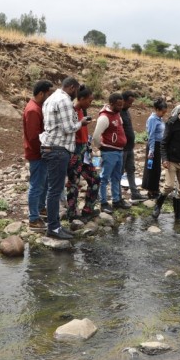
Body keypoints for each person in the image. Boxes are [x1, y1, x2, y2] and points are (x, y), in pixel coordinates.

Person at [40, 77, 90, 240]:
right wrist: (81, 122)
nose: (77, 93)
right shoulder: (64, 100)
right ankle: (53, 228)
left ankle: (55, 225)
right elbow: (69, 128)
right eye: (76, 90)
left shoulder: (50, 99)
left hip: (51, 147)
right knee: (55, 190)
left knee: (53, 189)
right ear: (71, 87)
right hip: (58, 149)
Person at [152, 101, 180, 221]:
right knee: (169, 186)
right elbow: (164, 143)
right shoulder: (172, 123)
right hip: (172, 160)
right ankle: (158, 206)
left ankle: (178, 214)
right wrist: (165, 159)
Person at [64, 86, 100, 221]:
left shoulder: (80, 111)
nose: (90, 104)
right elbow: (70, 130)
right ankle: (71, 214)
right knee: (74, 182)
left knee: (95, 179)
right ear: (82, 98)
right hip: (75, 152)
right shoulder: (72, 111)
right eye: (89, 101)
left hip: (83, 152)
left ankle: (87, 209)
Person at [22, 79, 54, 233]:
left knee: (44, 183)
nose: (51, 96)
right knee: (36, 185)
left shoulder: (38, 107)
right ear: (42, 93)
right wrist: (46, 151)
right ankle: (33, 218)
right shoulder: (33, 110)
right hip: (37, 153)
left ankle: (41, 209)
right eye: (49, 93)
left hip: (41, 152)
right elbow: (34, 137)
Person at [92, 92, 129, 213]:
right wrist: (101, 147)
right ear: (111, 103)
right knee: (104, 178)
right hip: (109, 151)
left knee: (116, 177)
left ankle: (116, 200)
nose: (120, 107)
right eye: (118, 105)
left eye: (121, 105)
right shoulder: (104, 117)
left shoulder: (117, 114)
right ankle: (103, 202)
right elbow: (96, 136)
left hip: (119, 151)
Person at [120, 90, 144, 202]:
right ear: (123, 101)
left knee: (131, 169)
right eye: (129, 102)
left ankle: (134, 193)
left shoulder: (127, 112)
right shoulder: (118, 112)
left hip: (129, 147)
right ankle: (118, 196)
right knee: (119, 172)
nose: (130, 105)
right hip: (122, 148)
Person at [141, 98, 168, 199]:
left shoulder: (159, 119)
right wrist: (151, 150)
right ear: (157, 109)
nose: (163, 114)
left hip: (159, 145)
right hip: (154, 146)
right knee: (151, 168)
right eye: (162, 112)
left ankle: (155, 188)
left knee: (157, 169)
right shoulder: (152, 119)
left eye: (165, 112)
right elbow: (151, 135)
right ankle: (150, 190)